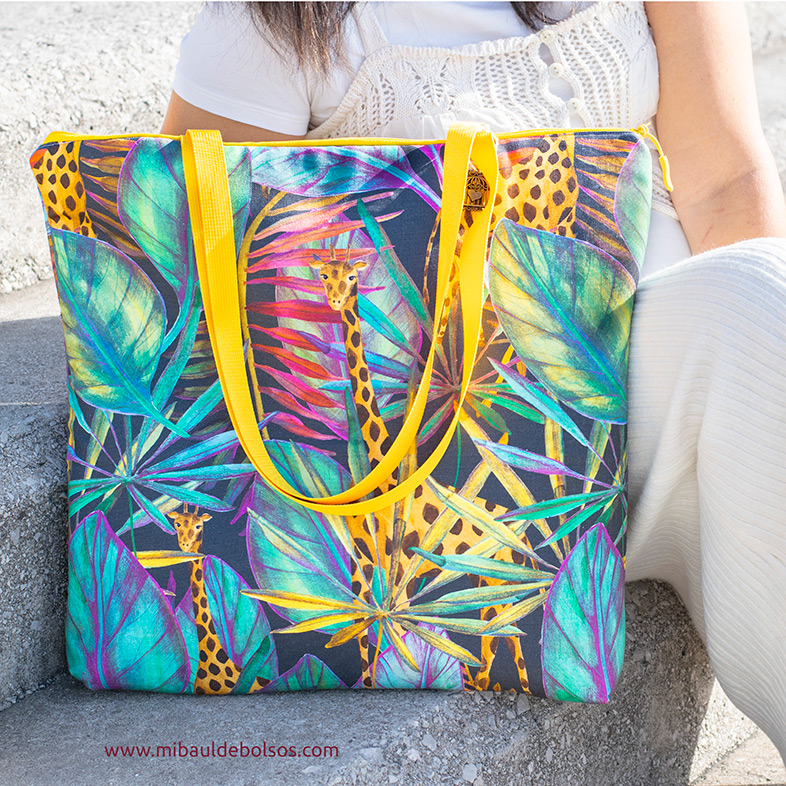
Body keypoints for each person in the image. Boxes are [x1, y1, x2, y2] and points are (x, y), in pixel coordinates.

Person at [161, 0, 786, 761]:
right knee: (757, 299)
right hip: (464, 470)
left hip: (679, 386)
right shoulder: (272, 24)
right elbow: (199, 266)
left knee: (763, 297)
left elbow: (726, 183)